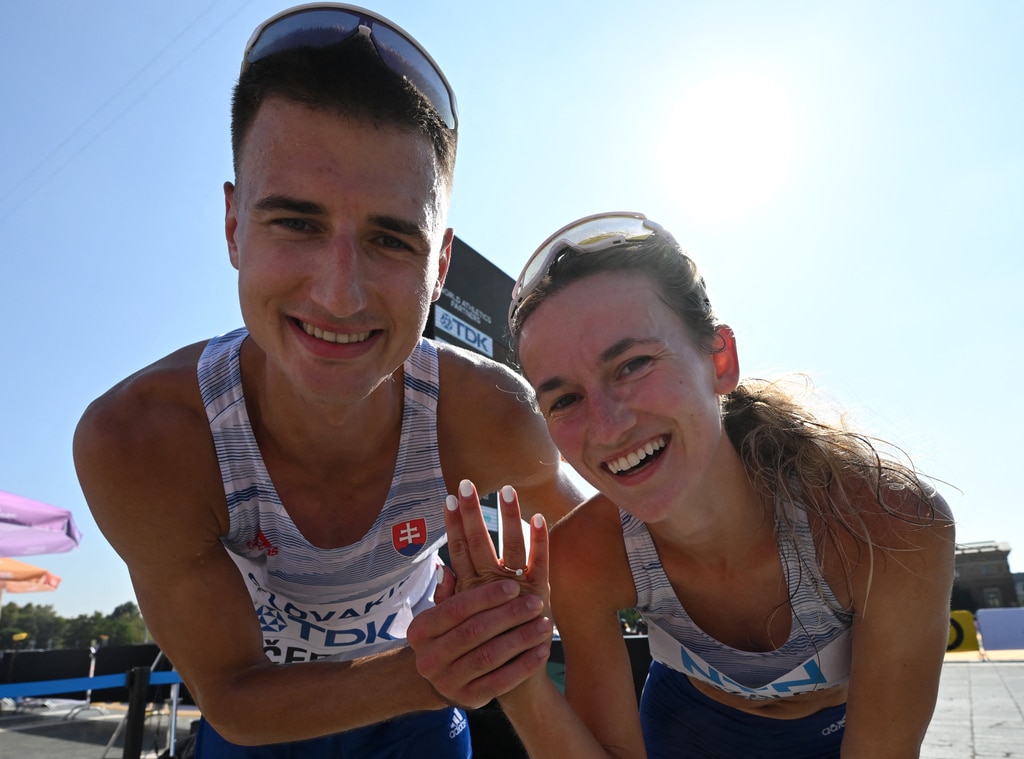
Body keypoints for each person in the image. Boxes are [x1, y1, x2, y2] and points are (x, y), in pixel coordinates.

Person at [72, 5, 580, 756]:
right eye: (296, 223)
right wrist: (443, 663)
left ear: (439, 267)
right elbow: (235, 697)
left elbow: (613, 549)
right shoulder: (143, 438)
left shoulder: (492, 412)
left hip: (418, 716)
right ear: (234, 226)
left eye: (389, 238)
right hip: (272, 720)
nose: (339, 294)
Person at [426, 212, 955, 758]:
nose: (608, 427)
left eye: (632, 364)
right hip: (684, 728)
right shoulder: (584, 554)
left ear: (719, 360)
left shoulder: (887, 523)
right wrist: (516, 681)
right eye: (564, 400)